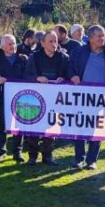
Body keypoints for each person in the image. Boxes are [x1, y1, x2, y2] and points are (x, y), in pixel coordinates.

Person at [69, 25, 105, 170]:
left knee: (97, 128)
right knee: (80, 127)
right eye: (99, 36)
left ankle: (92, 160)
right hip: (81, 96)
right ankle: (79, 158)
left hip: (101, 96)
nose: (103, 38)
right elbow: (69, 67)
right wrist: (73, 75)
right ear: (90, 38)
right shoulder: (78, 51)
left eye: (103, 36)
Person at [24, 31, 69, 166]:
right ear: (42, 43)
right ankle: (32, 156)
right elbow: (26, 75)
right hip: (36, 97)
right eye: (50, 41)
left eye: (55, 41)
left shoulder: (63, 57)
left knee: (51, 126)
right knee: (34, 126)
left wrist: (63, 79)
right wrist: (37, 78)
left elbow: (69, 75)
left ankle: (48, 155)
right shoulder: (34, 57)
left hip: (55, 97)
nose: (54, 44)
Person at [0, 34, 29, 163]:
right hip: (3, 97)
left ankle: (17, 152)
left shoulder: (23, 59)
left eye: (14, 43)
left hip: (21, 98)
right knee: (2, 124)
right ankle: (1, 152)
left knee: (19, 124)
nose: (13, 46)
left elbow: (29, 76)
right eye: (10, 44)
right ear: (3, 46)